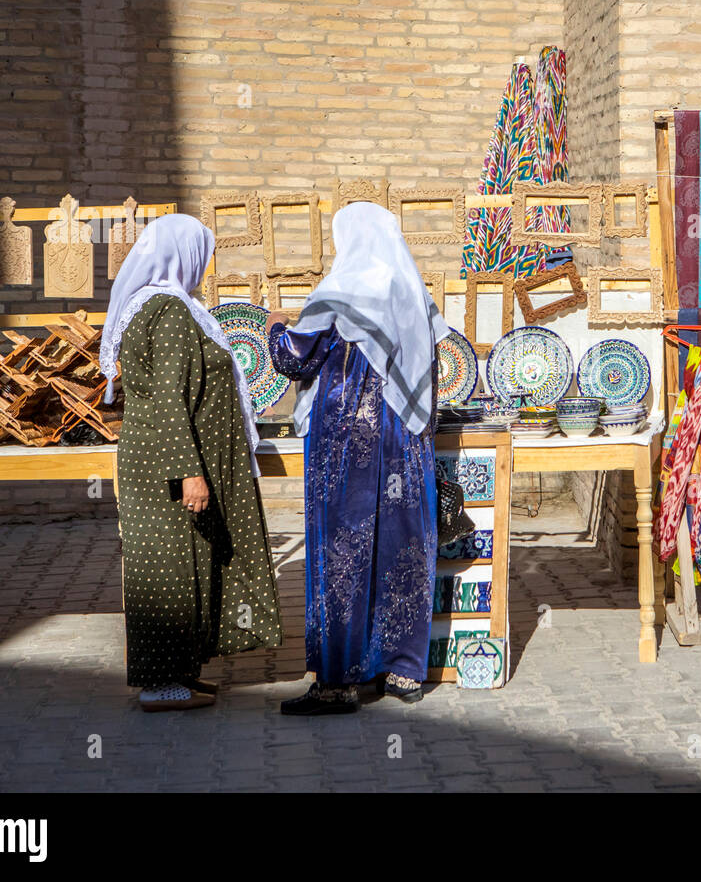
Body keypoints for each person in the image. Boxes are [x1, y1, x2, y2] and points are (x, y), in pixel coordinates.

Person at [268, 201, 448, 715]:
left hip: (347, 441)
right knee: (402, 546)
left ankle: (338, 683)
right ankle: (401, 670)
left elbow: (291, 359)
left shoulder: (339, 291)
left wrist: (276, 324)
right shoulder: (410, 291)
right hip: (403, 439)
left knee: (343, 550)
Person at [101, 214, 283, 712]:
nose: (204, 267)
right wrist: (189, 472)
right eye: (201, 256)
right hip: (169, 465)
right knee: (168, 572)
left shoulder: (154, 307)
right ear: (185, 256)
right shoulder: (171, 315)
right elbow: (168, 398)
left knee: (184, 566)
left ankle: (177, 672)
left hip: (154, 460)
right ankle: (162, 684)